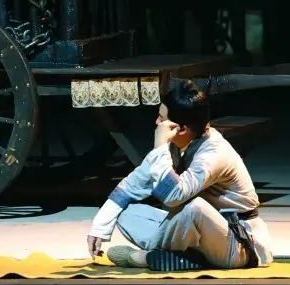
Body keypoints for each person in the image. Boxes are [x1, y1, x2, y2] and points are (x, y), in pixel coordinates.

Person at [86, 80, 273, 271]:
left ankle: (148, 257)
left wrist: (159, 147)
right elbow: (131, 186)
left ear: (180, 128)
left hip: (238, 244)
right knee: (125, 212)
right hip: (199, 234)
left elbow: (173, 196)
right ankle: (184, 256)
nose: (157, 123)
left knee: (194, 208)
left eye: (162, 119)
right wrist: (99, 227)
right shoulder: (174, 146)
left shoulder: (213, 153)